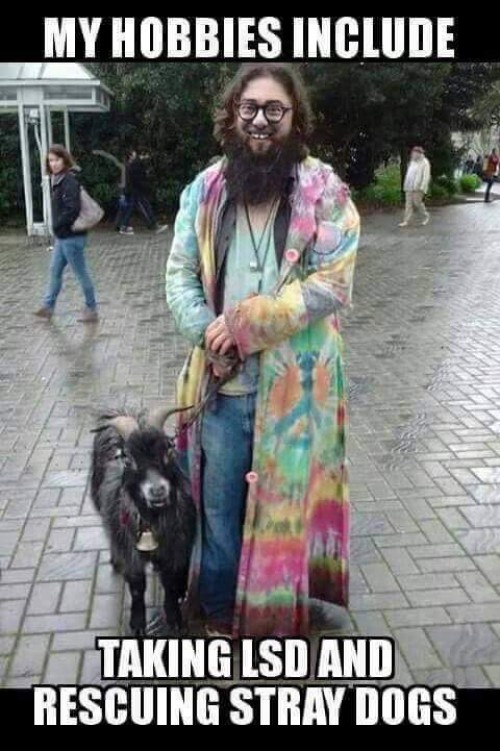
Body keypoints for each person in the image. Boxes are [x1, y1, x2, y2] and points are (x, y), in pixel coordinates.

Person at [165, 63, 360, 637]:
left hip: (297, 388)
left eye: (275, 109)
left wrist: (246, 323)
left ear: (295, 119)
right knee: (218, 505)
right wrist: (208, 331)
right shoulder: (204, 190)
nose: (260, 121)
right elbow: (179, 273)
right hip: (222, 383)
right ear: (232, 114)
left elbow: (333, 283)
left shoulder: (326, 192)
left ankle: (273, 616)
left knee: (285, 503)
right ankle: (220, 611)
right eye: (249, 107)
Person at [34, 144, 98, 322]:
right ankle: (48, 307)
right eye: (50, 160)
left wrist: (58, 225)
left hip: (72, 237)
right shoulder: (58, 179)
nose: (53, 163)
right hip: (63, 237)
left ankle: (92, 308)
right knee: (55, 271)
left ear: (64, 160)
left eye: (57, 160)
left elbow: (72, 209)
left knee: (81, 274)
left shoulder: (69, 181)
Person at [115, 150, 168, 234]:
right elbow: (135, 180)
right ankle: (152, 225)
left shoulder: (126, 166)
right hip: (133, 191)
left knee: (128, 209)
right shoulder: (131, 166)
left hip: (129, 191)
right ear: (131, 156)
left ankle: (121, 226)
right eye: (134, 155)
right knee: (143, 207)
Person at [399, 146, 431, 227]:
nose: (413, 155)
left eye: (414, 153)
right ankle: (406, 221)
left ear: (419, 154)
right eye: (412, 153)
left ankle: (425, 215)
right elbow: (409, 173)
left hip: (418, 187)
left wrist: (422, 187)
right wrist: (406, 184)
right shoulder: (412, 162)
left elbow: (426, 176)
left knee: (417, 203)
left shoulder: (425, 162)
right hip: (409, 186)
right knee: (408, 204)